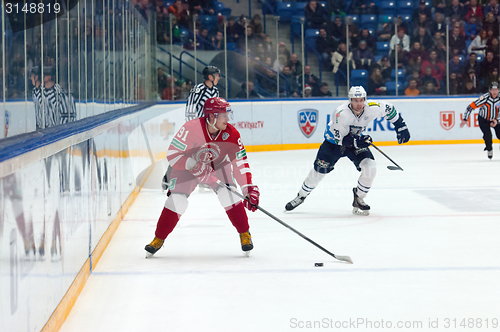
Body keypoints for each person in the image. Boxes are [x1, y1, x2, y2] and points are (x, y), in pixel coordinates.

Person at [145, 97, 260, 255]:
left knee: (229, 195)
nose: (228, 119)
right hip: (187, 167)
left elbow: (240, 162)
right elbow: (172, 154)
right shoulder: (191, 128)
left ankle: (244, 233)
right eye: (223, 115)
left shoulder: (232, 134)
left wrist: (247, 188)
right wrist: (194, 165)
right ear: (212, 116)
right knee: (177, 201)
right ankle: (158, 238)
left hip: (218, 166)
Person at [284, 86, 410, 216]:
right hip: (334, 144)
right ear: (350, 100)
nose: (359, 104)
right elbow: (341, 139)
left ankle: (359, 198)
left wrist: (401, 126)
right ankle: (301, 196)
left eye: (362, 100)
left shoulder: (373, 107)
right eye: (356, 100)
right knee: (318, 173)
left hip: (355, 142)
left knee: (370, 167)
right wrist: (359, 141)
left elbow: (389, 109)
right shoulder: (341, 113)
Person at [460, 81, 500, 159]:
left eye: (496, 90)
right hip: (484, 119)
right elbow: (470, 107)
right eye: (492, 90)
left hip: (496, 119)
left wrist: (497, 120)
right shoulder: (484, 98)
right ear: (489, 90)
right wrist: (465, 118)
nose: (494, 92)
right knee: (488, 135)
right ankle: (489, 148)